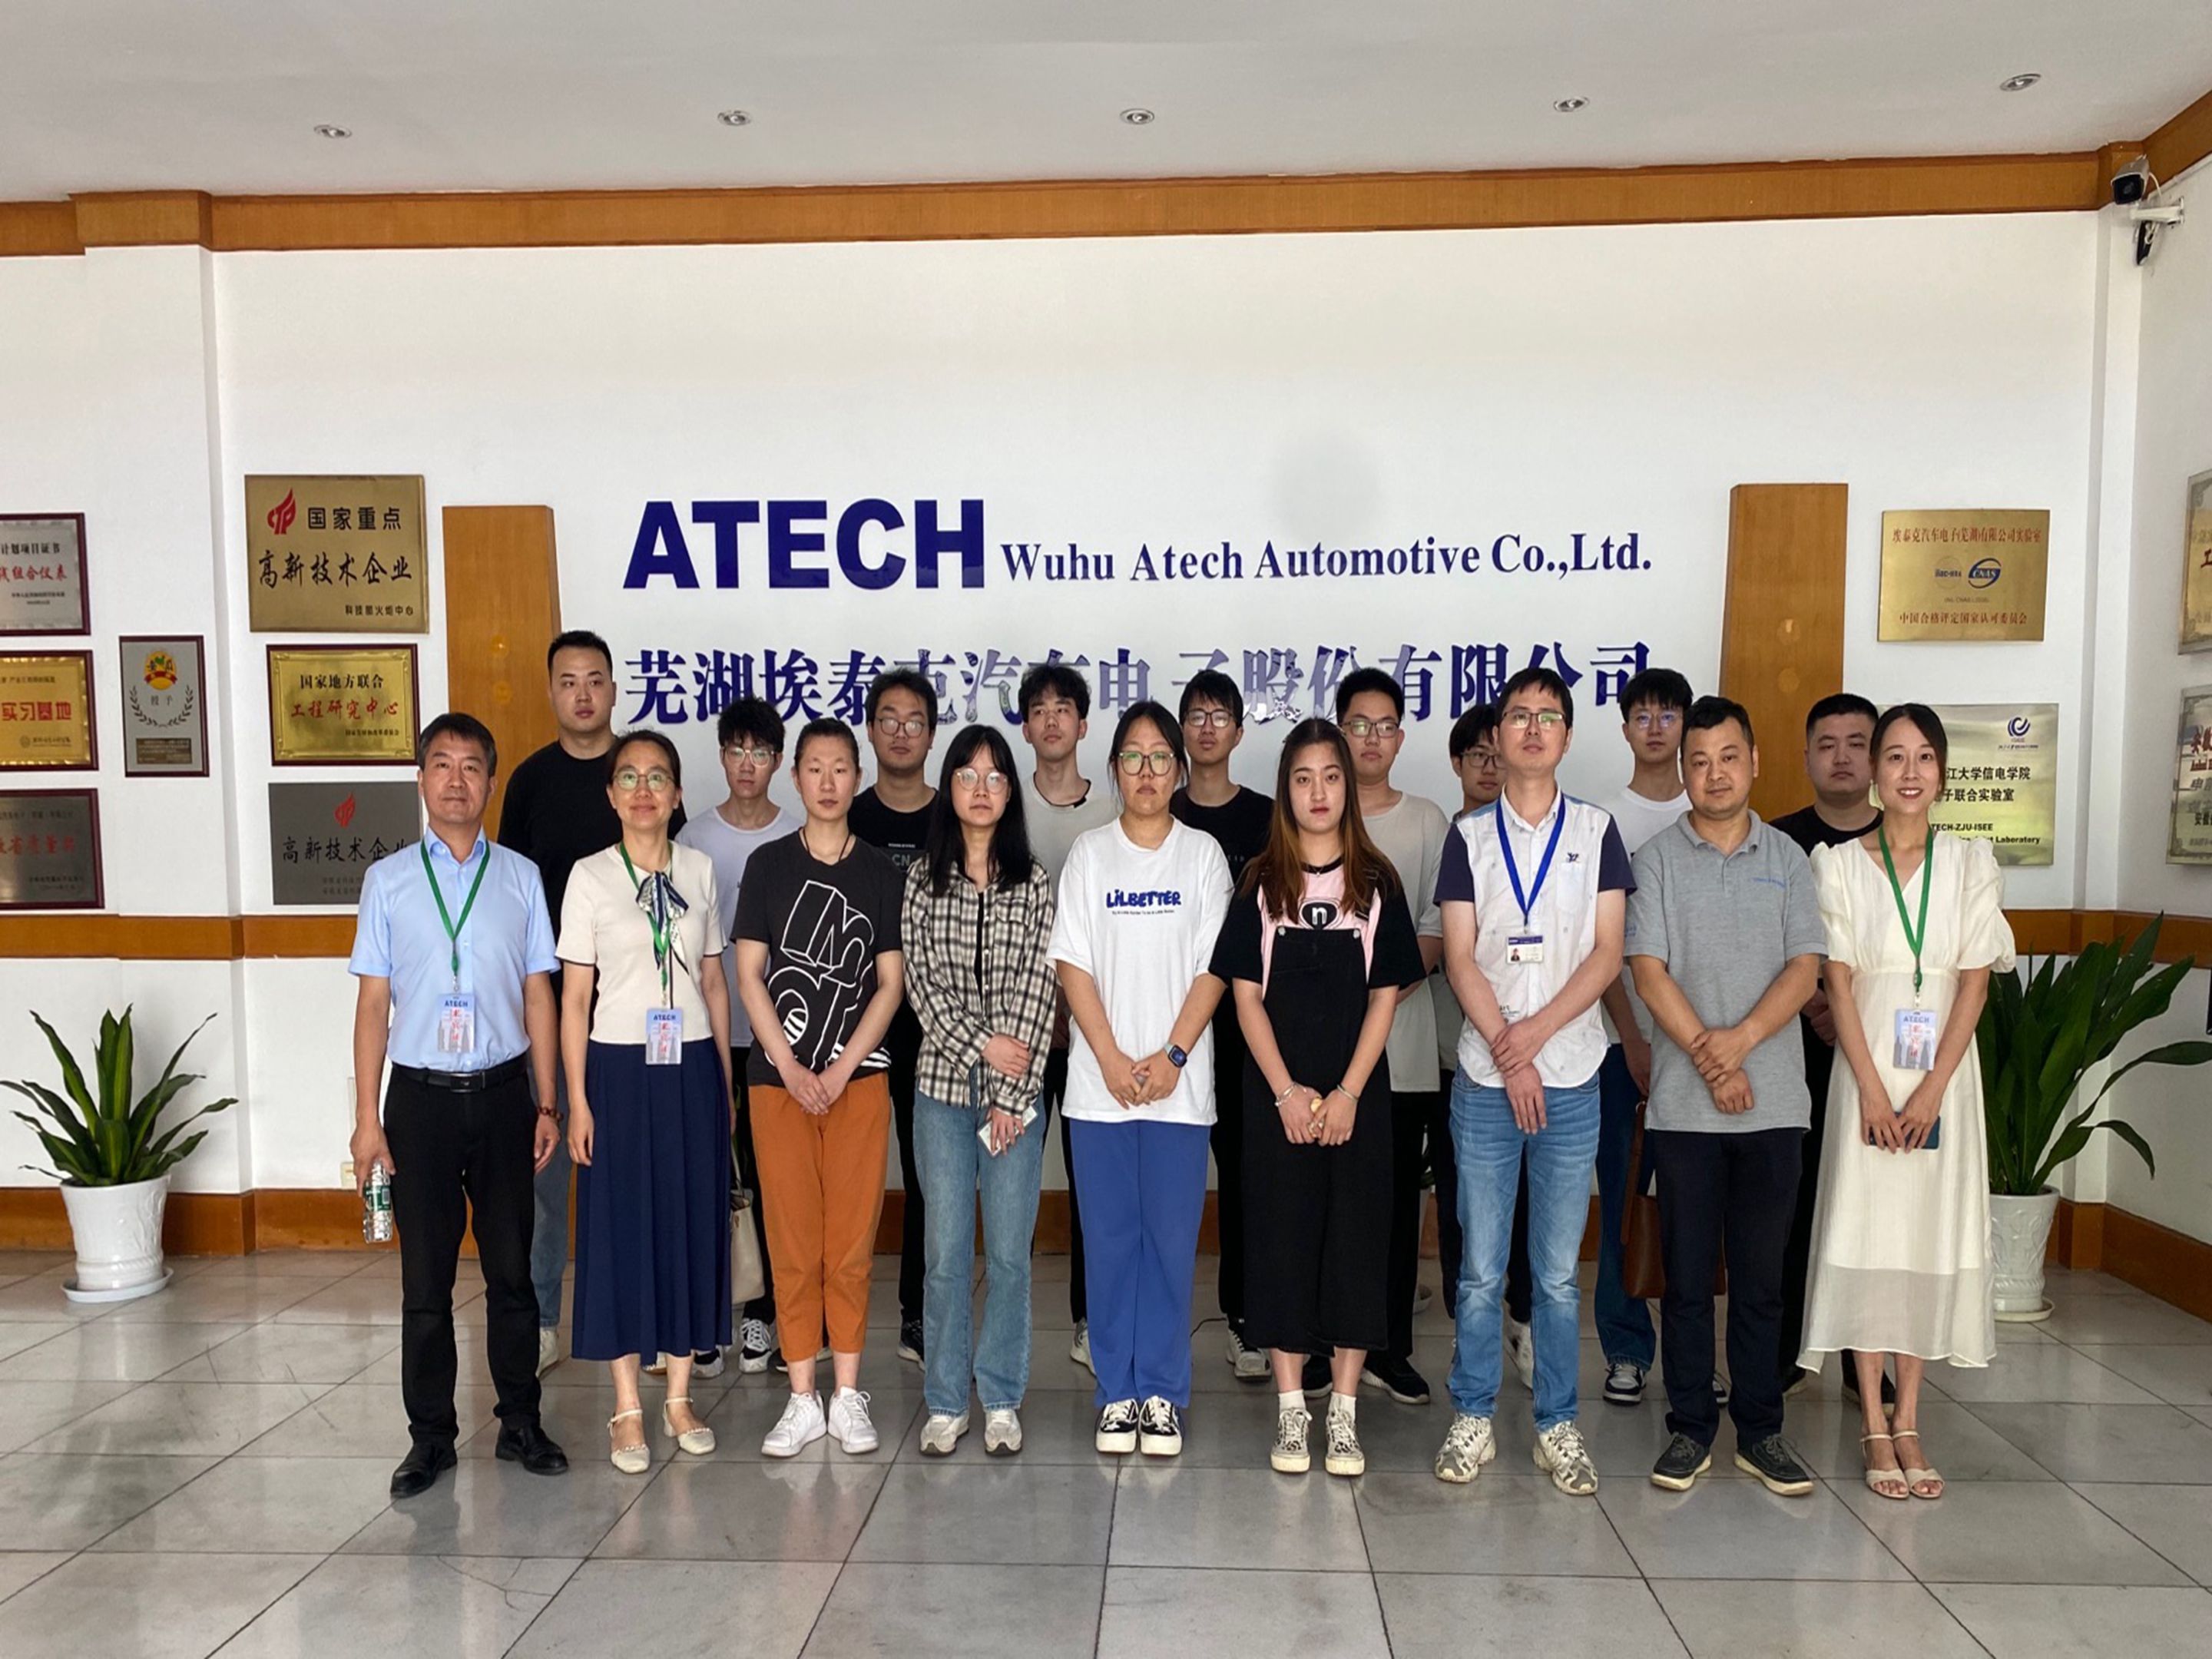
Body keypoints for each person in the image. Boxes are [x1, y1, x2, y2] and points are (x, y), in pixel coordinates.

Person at [349, 714, 570, 1498]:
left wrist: (548, 1104)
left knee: (513, 1275)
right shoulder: (387, 882)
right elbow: (373, 1006)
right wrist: (367, 1120)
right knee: (425, 1286)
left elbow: (539, 994)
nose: (455, 780)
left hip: (507, 1096)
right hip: (421, 1104)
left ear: (491, 782)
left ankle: (520, 1423)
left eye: (471, 766)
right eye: (440, 764)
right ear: (421, 780)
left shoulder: (519, 877)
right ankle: (430, 1439)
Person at [1801, 704, 2012, 1502]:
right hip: (1865, 1075)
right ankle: (1871, 1419)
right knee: (1867, 1227)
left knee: (1925, 1232)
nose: (1910, 771)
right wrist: (1871, 1088)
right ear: (1875, 774)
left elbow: (1974, 984)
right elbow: (1838, 985)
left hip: (1942, 1080)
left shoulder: (1969, 863)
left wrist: (1929, 1091)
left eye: (1925, 757)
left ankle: (1910, 1417)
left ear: (1943, 772)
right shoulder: (1839, 865)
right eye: (1895, 757)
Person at [1432, 667, 1632, 1496]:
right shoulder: (1469, 837)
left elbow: (1607, 954)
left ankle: (1557, 1424)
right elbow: (1459, 957)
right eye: (1519, 716)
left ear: (1568, 736)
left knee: (1554, 1273)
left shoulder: (1597, 830)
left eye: (1549, 717)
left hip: (1574, 1075)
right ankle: (1473, 1415)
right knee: (1482, 1270)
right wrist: (1511, 1056)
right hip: (1486, 1080)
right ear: (1499, 735)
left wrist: (1536, 1041)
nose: (1534, 729)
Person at [1210, 720, 1423, 1478]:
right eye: (1303, 779)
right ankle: (1293, 1411)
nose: (1319, 792)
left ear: (1347, 788)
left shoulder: (1377, 881)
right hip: (1278, 1102)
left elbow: (1385, 996)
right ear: (1286, 791)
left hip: (1356, 1099)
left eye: (1331, 776)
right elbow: (1245, 998)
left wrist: (1347, 1093)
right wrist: (1287, 1095)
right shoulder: (1262, 882)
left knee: (1355, 1246)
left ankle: (1344, 1414)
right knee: (1282, 1243)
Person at [1626, 697, 1824, 1497]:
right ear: (1683, 771)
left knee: (1761, 1280)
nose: (1714, 774)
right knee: (1684, 1281)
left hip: (1773, 1106)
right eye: (1699, 761)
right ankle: (1689, 1428)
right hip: (1684, 1111)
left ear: (1754, 762)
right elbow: (1648, 972)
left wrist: (1739, 1044)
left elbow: (1805, 968)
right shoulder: (1656, 861)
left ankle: (1761, 1430)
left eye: (1728, 758)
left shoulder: (1791, 858)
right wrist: (1714, 1065)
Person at [498, 631, 684, 1374]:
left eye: (595, 680)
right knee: (548, 1176)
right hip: (555, 1009)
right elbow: (514, 894)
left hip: (641, 1016)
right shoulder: (531, 782)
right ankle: (544, 1319)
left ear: (614, 688)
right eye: (569, 681)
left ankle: (647, 1321)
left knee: (639, 1177)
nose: (583, 693)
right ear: (551, 691)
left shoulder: (640, 774)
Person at [1049, 700, 1231, 1458]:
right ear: (1115, 768)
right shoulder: (1090, 855)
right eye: (1134, 757)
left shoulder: (1203, 856)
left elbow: (1214, 968)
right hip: (1101, 1093)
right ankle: (1116, 1394)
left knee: (1168, 1244)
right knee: (1110, 1244)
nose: (1148, 771)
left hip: (1179, 1094)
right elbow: (1073, 965)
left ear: (1179, 770)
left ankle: (1160, 1391)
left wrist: (1173, 1057)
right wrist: (1112, 1060)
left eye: (1161, 758)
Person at [557, 730, 733, 1473]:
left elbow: (714, 981)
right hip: (619, 1070)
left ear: (677, 793)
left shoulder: (699, 869)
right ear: (611, 795)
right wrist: (578, 1100)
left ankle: (680, 1395)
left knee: (690, 1221)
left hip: (690, 1066)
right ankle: (628, 1403)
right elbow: (574, 999)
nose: (643, 790)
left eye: (657, 777)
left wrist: (723, 1085)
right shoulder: (590, 877)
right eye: (628, 777)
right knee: (621, 1228)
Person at [733, 718, 908, 1458]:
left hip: (858, 1081)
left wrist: (836, 1071)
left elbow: (890, 985)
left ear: (857, 778)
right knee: (794, 1241)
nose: (828, 781)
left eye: (841, 768)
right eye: (815, 768)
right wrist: (793, 1067)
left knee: (851, 1244)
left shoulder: (881, 873)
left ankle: (848, 1393)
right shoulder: (768, 865)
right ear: (795, 777)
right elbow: (749, 974)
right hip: (777, 1085)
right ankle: (802, 1397)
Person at [903, 725, 1058, 1457]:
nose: (981, 789)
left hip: (1015, 1098)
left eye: (995, 777)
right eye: (967, 775)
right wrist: (983, 1048)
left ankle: (999, 1395)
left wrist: (1005, 1087)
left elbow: (1040, 983)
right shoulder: (921, 880)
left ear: (1010, 792)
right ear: (949, 788)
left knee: (1009, 1255)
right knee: (943, 1253)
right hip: (939, 1090)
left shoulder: (1034, 881)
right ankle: (944, 1399)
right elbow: (922, 987)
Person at [1771, 692, 1891, 1406]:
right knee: (1796, 1199)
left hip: (1882, 1051)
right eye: (1827, 744)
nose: (1842, 757)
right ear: (1806, 757)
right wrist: (1817, 1002)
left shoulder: (1905, 839)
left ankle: (1863, 1355)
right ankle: (1789, 1347)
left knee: (1871, 1202)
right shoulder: (1779, 841)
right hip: (1799, 1045)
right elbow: (1765, 941)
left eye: (1857, 743)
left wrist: (1855, 1014)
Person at [676, 696, 799, 1375]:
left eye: (760, 752)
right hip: (705, 1032)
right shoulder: (692, 838)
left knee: (771, 1178)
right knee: (708, 1174)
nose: (747, 764)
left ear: (778, 762)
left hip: (780, 1037)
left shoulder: (798, 834)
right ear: (721, 757)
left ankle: (763, 1312)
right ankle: (706, 1317)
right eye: (736, 751)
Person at [1170, 668, 1274, 1383]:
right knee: (1169, 1181)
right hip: (1167, 1024)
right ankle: (1156, 1322)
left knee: (1244, 1179)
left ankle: (1244, 1320)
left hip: (1242, 1026)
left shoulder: (1268, 817)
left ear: (1238, 730)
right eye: (1196, 716)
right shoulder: (1159, 808)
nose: (1207, 728)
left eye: (1220, 716)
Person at [1592, 666, 1691, 1406]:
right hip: (1619, 1045)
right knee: (1624, 1199)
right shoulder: (1603, 823)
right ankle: (1626, 1347)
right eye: (1642, 715)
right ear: (1624, 728)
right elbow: (1599, 949)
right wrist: (1631, 1035)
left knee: (1698, 1204)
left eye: (1668, 715)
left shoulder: (1712, 810)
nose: (1655, 727)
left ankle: (1693, 1353)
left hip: (1704, 1048)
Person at [1018, 662, 1118, 1375]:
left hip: (1095, 1030)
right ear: (1025, 727)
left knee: (1093, 1186)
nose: (1051, 719)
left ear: (1083, 725)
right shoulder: (1001, 805)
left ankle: (1089, 1320)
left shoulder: (1113, 813)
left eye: (1064, 708)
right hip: (1020, 1032)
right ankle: (1010, 1330)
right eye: (1039, 709)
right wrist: (1039, 1007)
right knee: (1013, 1185)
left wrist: (1080, 1012)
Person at [849, 668, 939, 1370]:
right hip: (850, 1022)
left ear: (932, 735)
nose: (901, 733)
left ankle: (919, 1311)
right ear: (870, 730)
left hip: (932, 1024)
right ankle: (827, 1316)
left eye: (914, 721)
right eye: (889, 720)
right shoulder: (846, 818)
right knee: (847, 1172)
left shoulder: (955, 815)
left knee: (928, 1173)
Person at [1437, 706, 1528, 1388]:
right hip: (1456, 1055)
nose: (1490, 767)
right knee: (1462, 1206)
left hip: (1530, 1056)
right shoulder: (1455, 840)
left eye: (1499, 754)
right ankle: (1466, 1333)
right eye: (1478, 755)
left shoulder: (1548, 840)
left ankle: (1522, 1320)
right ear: (1458, 764)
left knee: (1527, 1204)